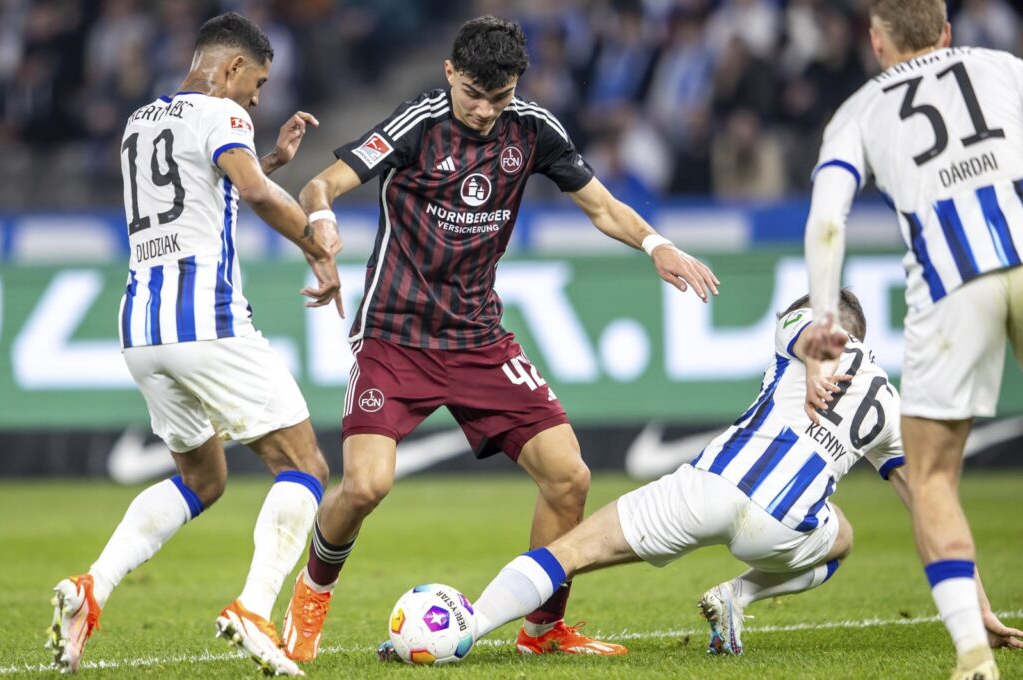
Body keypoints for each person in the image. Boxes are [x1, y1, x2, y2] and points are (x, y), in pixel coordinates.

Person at [279, 15, 719, 662]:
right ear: (450, 72)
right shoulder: (417, 124)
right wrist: (320, 221)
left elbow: (600, 204)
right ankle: (311, 596)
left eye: (501, 97)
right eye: (474, 95)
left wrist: (656, 244)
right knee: (367, 486)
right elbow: (321, 183)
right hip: (394, 337)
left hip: (479, 339)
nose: (486, 111)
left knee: (569, 476)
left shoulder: (534, 129)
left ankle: (541, 631)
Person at [424, 292, 1021, 662]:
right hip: (784, 528)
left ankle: (464, 629)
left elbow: (800, 326)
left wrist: (812, 359)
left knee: (569, 551)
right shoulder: (890, 405)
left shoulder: (811, 332)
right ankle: (739, 595)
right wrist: (978, 610)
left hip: (706, 487)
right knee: (841, 535)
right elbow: (930, 508)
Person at [46, 12, 342, 677]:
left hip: (142, 330)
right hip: (204, 319)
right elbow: (254, 193)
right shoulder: (221, 113)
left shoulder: (140, 122)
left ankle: (93, 588)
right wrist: (315, 246)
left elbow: (199, 194)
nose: (258, 100)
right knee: (305, 464)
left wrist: (267, 162)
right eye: (257, 83)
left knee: (202, 479)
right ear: (231, 68)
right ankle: (254, 608)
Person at [799, 1, 1023, 678]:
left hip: (952, 281)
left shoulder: (859, 112)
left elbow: (827, 221)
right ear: (947, 32)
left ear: (875, 41)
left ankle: (973, 656)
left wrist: (822, 313)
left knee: (930, 477)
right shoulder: (1005, 68)